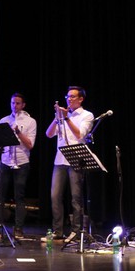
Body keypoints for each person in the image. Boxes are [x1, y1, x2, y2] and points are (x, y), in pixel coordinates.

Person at [44, 86, 94, 239]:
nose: (69, 99)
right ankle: (57, 231)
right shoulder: (63, 115)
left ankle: (76, 231)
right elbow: (49, 134)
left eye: (73, 96)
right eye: (68, 96)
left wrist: (66, 118)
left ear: (81, 99)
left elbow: (80, 134)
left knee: (76, 197)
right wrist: (57, 117)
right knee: (55, 196)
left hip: (76, 160)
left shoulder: (87, 115)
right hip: (60, 159)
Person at [0, 93, 37, 239]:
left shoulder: (31, 121)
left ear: (23, 105)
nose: (14, 106)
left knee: (19, 197)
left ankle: (18, 228)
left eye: (17, 103)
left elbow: (30, 145)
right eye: (12, 103)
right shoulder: (4, 120)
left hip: (22, 162)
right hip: (5, 160)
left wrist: (18, 132)